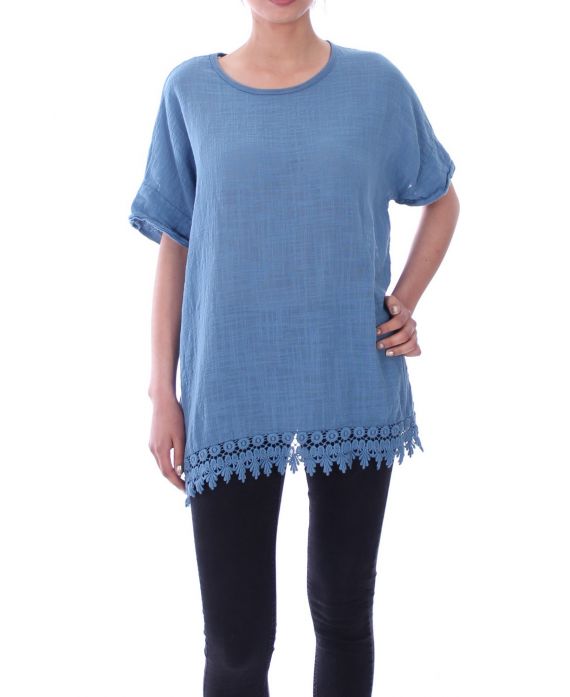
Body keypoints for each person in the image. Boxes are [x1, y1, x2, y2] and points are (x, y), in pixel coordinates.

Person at [128, 1, 460, 695]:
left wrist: (405, 301)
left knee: (343, 612)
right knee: (237, 641)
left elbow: (441, 199)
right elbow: (174, 243)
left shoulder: (376, 85)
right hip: (229, 386)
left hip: (352, 377)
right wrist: (162, 391)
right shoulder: (190, 91)